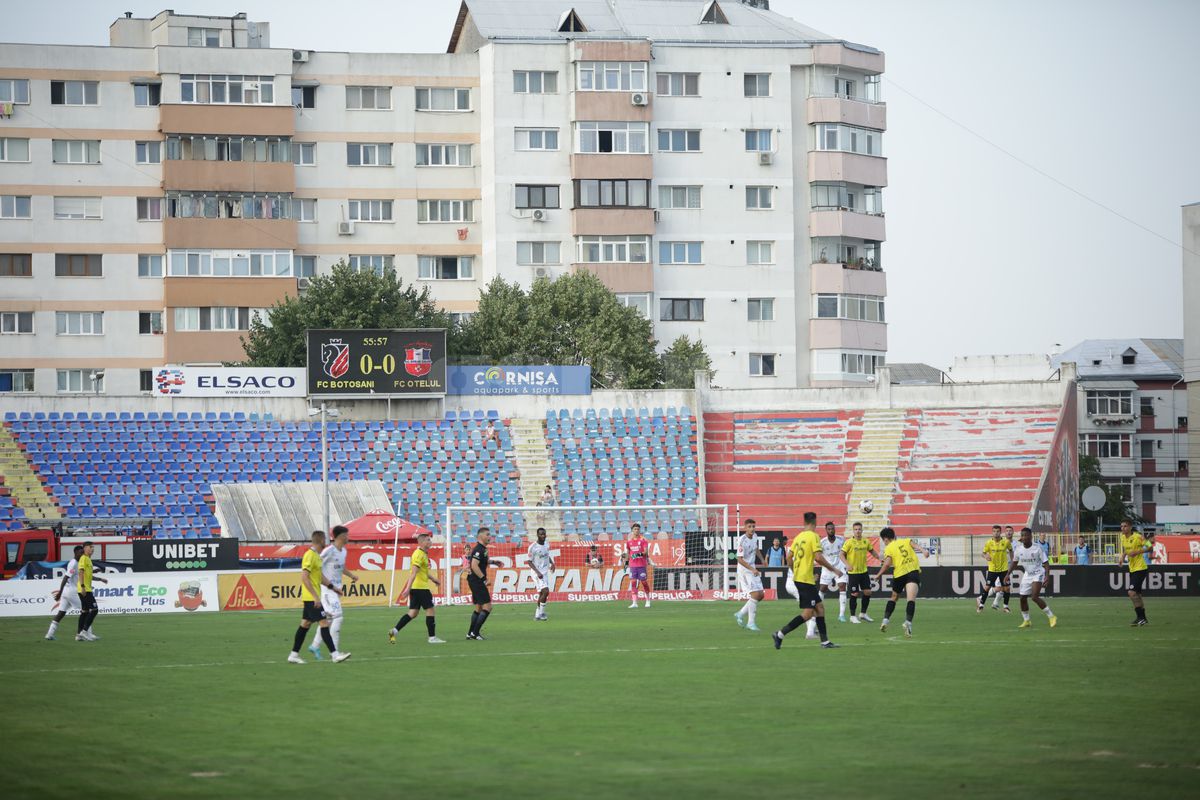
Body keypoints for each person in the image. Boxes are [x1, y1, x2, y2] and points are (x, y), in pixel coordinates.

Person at [771, 512, 844, 650]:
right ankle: (780, 634)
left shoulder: (798, 537)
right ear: (815, 522)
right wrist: (834, 569)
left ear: (804, 522)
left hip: (801, 579)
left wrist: (795, 571)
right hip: (805, 580)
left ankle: (825, 641)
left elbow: (788, 558)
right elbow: (818, 557)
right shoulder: (813, 536)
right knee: (808, 613)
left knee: (820, 608)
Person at [288, 531, 350, 663]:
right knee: (324, 623)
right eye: (324, 540)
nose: (325, 542)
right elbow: (304, 577)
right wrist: (316, 597)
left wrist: (334, 588)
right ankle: (335, 655)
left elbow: (320, 577)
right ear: (321, 540)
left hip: (313, 597)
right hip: (311, 598)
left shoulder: (316, 556)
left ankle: (293, 655)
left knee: (305, 624)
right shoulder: (309, 555)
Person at [309, 526, 358, 659]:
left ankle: (315, 645)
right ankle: (335, 653)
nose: (348, 537)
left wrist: (351, 575)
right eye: (346, 535)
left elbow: (341, 567)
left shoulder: (343, 552)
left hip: (335, 590)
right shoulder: (328, 551)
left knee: (328, 619)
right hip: (327, 590)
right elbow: (316, 564)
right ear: (340, 536)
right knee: (338, 616)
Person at [389, 533, 445, 644]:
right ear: (422, 542)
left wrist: (434, 579)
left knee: (413, 613)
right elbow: (413, 573)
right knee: (430, 610)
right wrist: (407, 588)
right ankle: (432, 637)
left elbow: (423, 572)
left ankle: (394, 631)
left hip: (417, 588)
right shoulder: (419, 555)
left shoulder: (423, 553)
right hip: (420, 588)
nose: (430, 542)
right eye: (428, 540)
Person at [875, 528, 928, 638]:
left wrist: (879, 574)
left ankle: (885, 621)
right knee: (911, 599)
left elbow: (887, 564)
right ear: (894, 536)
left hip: (899, 575)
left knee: (894, 597)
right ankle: (908, 623)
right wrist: (923, 551)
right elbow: (915, 545)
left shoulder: (888, 548)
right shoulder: (905, 540)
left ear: (885, 539)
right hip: (912, 572)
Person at [1012, 527, 1057, 629]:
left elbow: (1046, 563)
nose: (1024, 537)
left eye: (1026, 535)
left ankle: (1052, 616)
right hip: (1027, 574)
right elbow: (1014, 562)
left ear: (1031, 536)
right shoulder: (1018, 549)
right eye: (1022, 535)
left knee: (1034, 597)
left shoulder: (1038, 548)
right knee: (1022, 598)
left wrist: (1047, 577)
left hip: (1038, 573)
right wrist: (1007, 574)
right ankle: (1027, 620)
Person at [842, 522, 878, 623]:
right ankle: (852, 616)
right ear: (853, 531)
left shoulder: (866, 541)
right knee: (854, 594)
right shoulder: (849, 542)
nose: (857, 531)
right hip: (853, 573)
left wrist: (879, 558)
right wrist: (847, 564)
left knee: (868, 592)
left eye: (859, 529)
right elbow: (841, 554)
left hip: (863, 572)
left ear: (862, 530)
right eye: (856, 529)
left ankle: (863, 614)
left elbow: (872, 551)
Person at [45, 545, 84, 641]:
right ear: (75, 553)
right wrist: (59, 592)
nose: (82, 554)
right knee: (86, 611)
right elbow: (65, 577)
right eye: (80, 552)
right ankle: (82, 634)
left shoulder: (78, 563)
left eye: (83, 552)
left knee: (61, 613)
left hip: (67, 592)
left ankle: (49, 634)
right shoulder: (73, 563)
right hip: (71, 591)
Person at [1117, 519, 1151, 626]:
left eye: (1125, 526)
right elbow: (1126, 549)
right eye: (1121, 526)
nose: (1123, 528)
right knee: (1138, 594)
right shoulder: (1123, 537)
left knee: (1131, 592)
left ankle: (1141, 617)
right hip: (1132, 568)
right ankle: (1142, 618)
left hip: (1140, 568)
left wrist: (1137, 551)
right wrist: (1122, 557)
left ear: (1130, 527)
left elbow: (1149, 546)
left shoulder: (1138, 537)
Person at [733, 519, 764, 631]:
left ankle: (740, 613)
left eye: (753, 526)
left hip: (752, 568)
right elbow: (739, 559)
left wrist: (762, 560)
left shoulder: (755, 536)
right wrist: (752, 569)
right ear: (745, 528)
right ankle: (751, 623)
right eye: (749, 526)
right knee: (755, 594)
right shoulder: (742, 540)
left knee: (761, 595)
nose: (752, 528)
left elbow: (756, 549)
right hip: (745, 570)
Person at [74, 541, 108, 642]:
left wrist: (100, 579)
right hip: (85, 589)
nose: (92, 549)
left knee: (85, 612)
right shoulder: (83, 558)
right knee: (94, 610)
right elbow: (81, 573)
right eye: (90, 547)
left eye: (93, 547)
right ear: (85, 548)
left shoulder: (88, 559)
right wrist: (83, 587)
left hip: (85, 588)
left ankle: (79, 635)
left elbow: (89, 575)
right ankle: (84, 632)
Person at [817, 521, 849, 624]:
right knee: (822, 589)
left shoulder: (841, 540)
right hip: (827, 567)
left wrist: (846, 564)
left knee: (842, 586)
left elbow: (845, 552)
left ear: (835, 529)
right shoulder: (822, 542)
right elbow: (819, 556)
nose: (831, 531)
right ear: (826, 530)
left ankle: (841, 615)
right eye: (829, 529)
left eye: (832, 529)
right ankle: (817, 611)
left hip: (839, 566)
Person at [466, 527, 493, 640]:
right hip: (477, 581)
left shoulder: (482, 549)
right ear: (480, 536)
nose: (489, 536)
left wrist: (494, 562)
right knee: (487, 607)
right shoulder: (478, 549)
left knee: (478, 607)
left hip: (474, 580)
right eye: (487, 534)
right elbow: (474, 565)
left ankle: (470, 633)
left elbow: (482, 561)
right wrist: (484, 579)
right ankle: (475, 633)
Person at [977, 525, 1011, 613]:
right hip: (992, 569)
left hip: (1003, 569)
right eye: (994, 531)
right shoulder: (989, 543)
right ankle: (981, 605)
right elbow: (983, 553)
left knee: (1007, 588)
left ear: (1000, 532)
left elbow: (1011, 551)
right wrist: (986, 556)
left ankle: (1005, 607)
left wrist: (1013, 560)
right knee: (987, 587)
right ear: (992, 532)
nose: (996, 533)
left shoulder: (1006, 542)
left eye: (998, 531)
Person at [623, 523, 653, 608]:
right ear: (632, 530)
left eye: (638, 529)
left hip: (641, 565)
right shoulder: (629, 541)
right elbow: (628, 553)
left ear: (640, 530)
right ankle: (634, 603)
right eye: (635, 529)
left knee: (644, 582)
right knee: (633, 583)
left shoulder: (643, 540)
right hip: (633, 566)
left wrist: (638, 554)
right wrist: (626, 564)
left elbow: (646, 552)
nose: (636, 530)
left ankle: (648, 601)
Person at [529, 527, 555, 621]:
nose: (543, 536)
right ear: (537, 535)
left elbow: (547, 555)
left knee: (542, 594)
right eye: (541, 534)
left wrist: (552, 563)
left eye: (544, 534)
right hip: (537, 573)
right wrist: (538, 572)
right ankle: (542, 613)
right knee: (546, 591)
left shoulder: (547, 544)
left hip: (544, 572)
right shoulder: (533, 547)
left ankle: (537, 614)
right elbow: (529, 562)